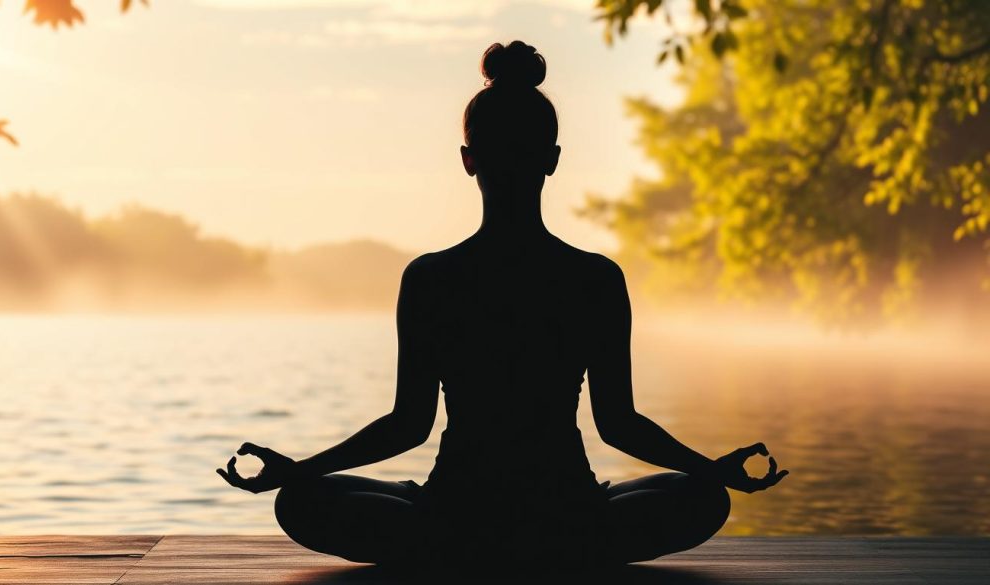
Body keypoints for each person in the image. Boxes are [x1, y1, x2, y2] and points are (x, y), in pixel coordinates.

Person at [217, 40, 788, 569]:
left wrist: (298, 470)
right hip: (568, 514)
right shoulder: (594, 278)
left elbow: (407, 426)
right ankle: (556, 545)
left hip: (451, 516)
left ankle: (454, 546)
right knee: (703, 496)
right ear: (552, 158)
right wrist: (714, 470)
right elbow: (619, 425)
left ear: (468, 159)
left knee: (300, 501)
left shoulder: (431, 277)